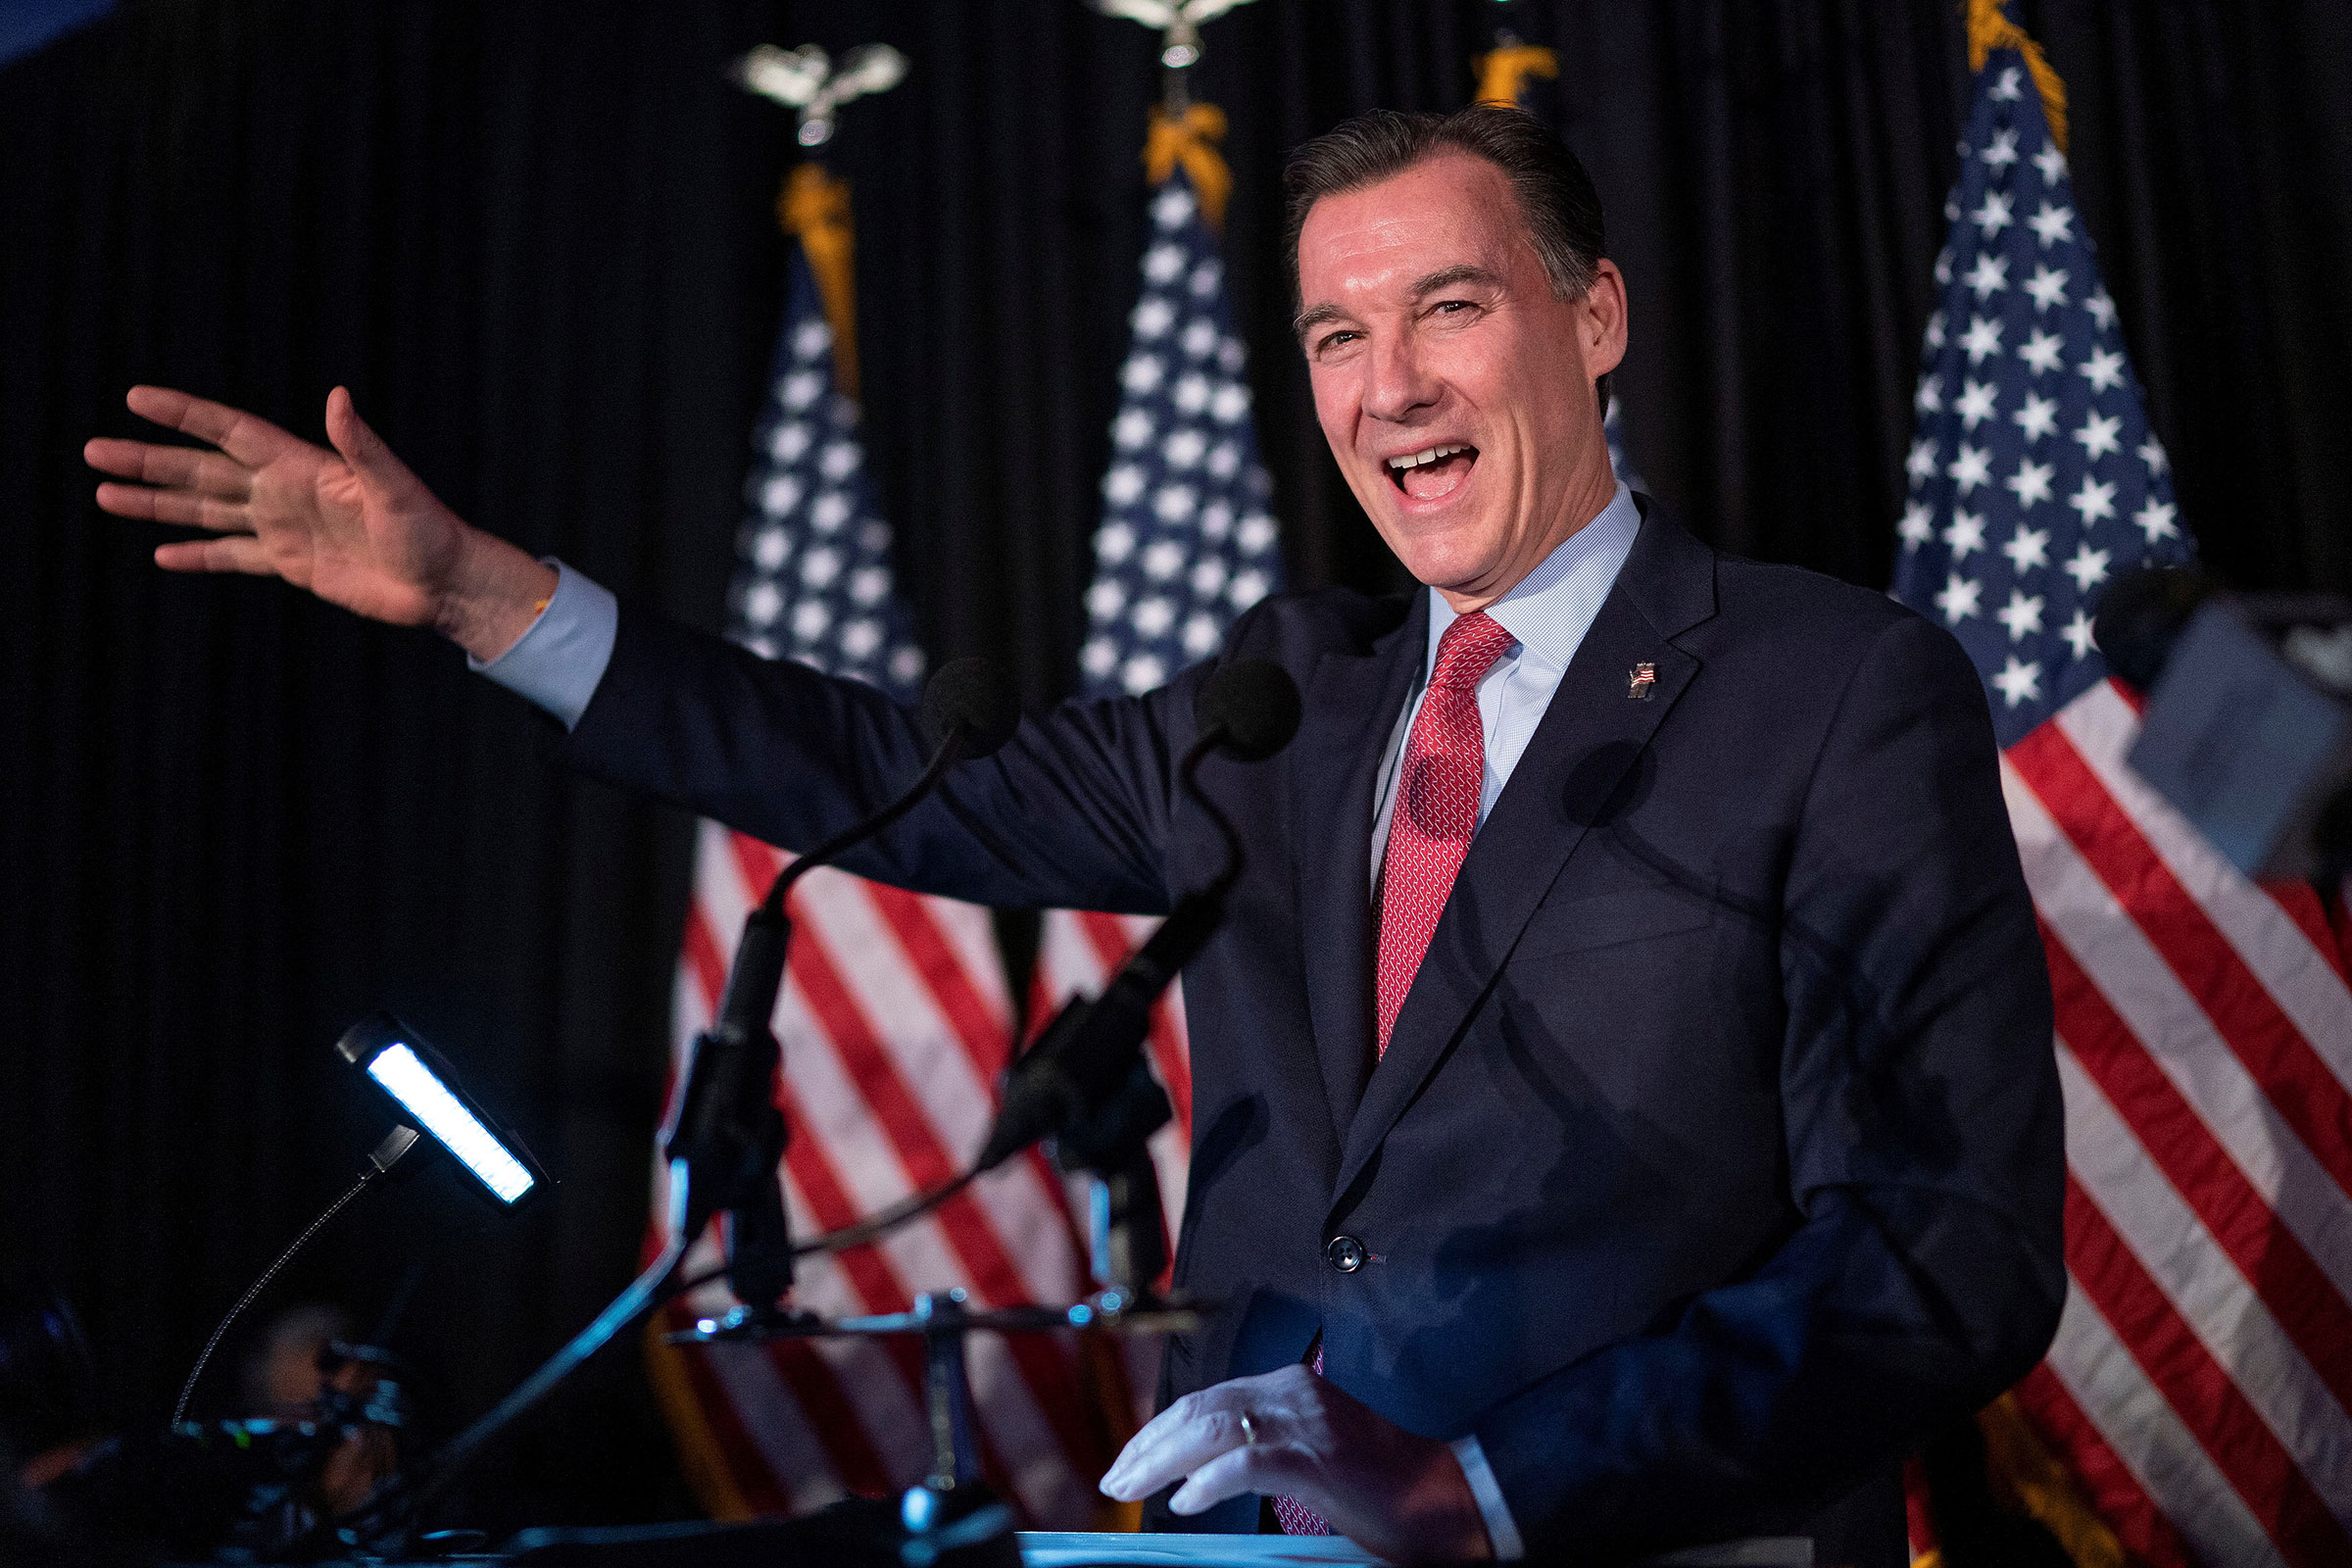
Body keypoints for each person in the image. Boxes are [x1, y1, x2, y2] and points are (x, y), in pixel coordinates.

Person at [85, 106, 2063, 1566]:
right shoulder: (1295, 700)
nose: (1392, 390)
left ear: (1597, 314)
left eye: (1448, 308)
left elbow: (1947, 1250)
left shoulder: (1832, 686)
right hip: (1259, 1547)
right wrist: (487, 601)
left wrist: (1481, 1483)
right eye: (1336, 337)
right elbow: (890, 770)